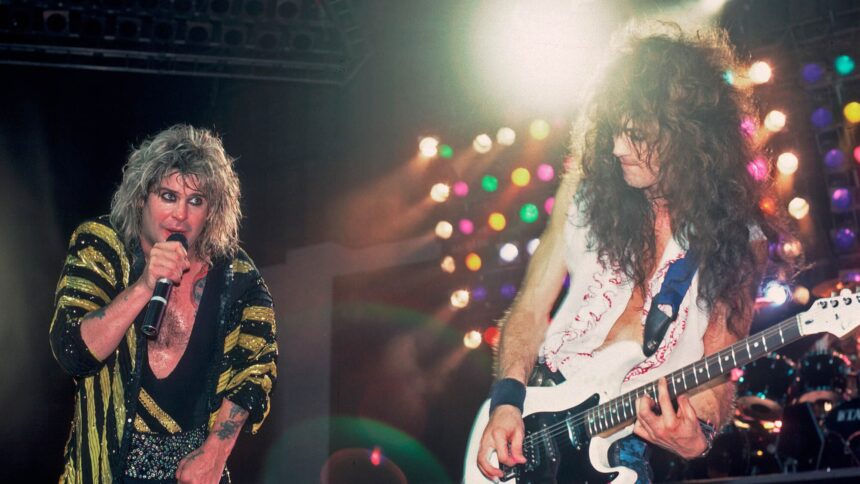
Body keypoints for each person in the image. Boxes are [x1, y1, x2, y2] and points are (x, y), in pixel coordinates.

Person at [476, 25, 779, 482]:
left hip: (625, 452)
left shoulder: (738, 237)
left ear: (686, 136)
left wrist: (699, 435)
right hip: (536, 415)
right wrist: (506, 403)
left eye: (635, 133)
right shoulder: (585, 194)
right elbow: (530, 309)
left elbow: (717, 365)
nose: (617, 147)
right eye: (615, 128)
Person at [50, 125, 277, 484]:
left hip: (192, 473)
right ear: (142, 198)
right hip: (103, 469)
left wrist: (215, 455)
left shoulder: (237, 277)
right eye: (168, 196)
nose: (180, 216)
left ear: (212, 210)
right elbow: (73, 352)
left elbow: (256, 369)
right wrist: (144, 285)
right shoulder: (101, 246)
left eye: (196, 201)